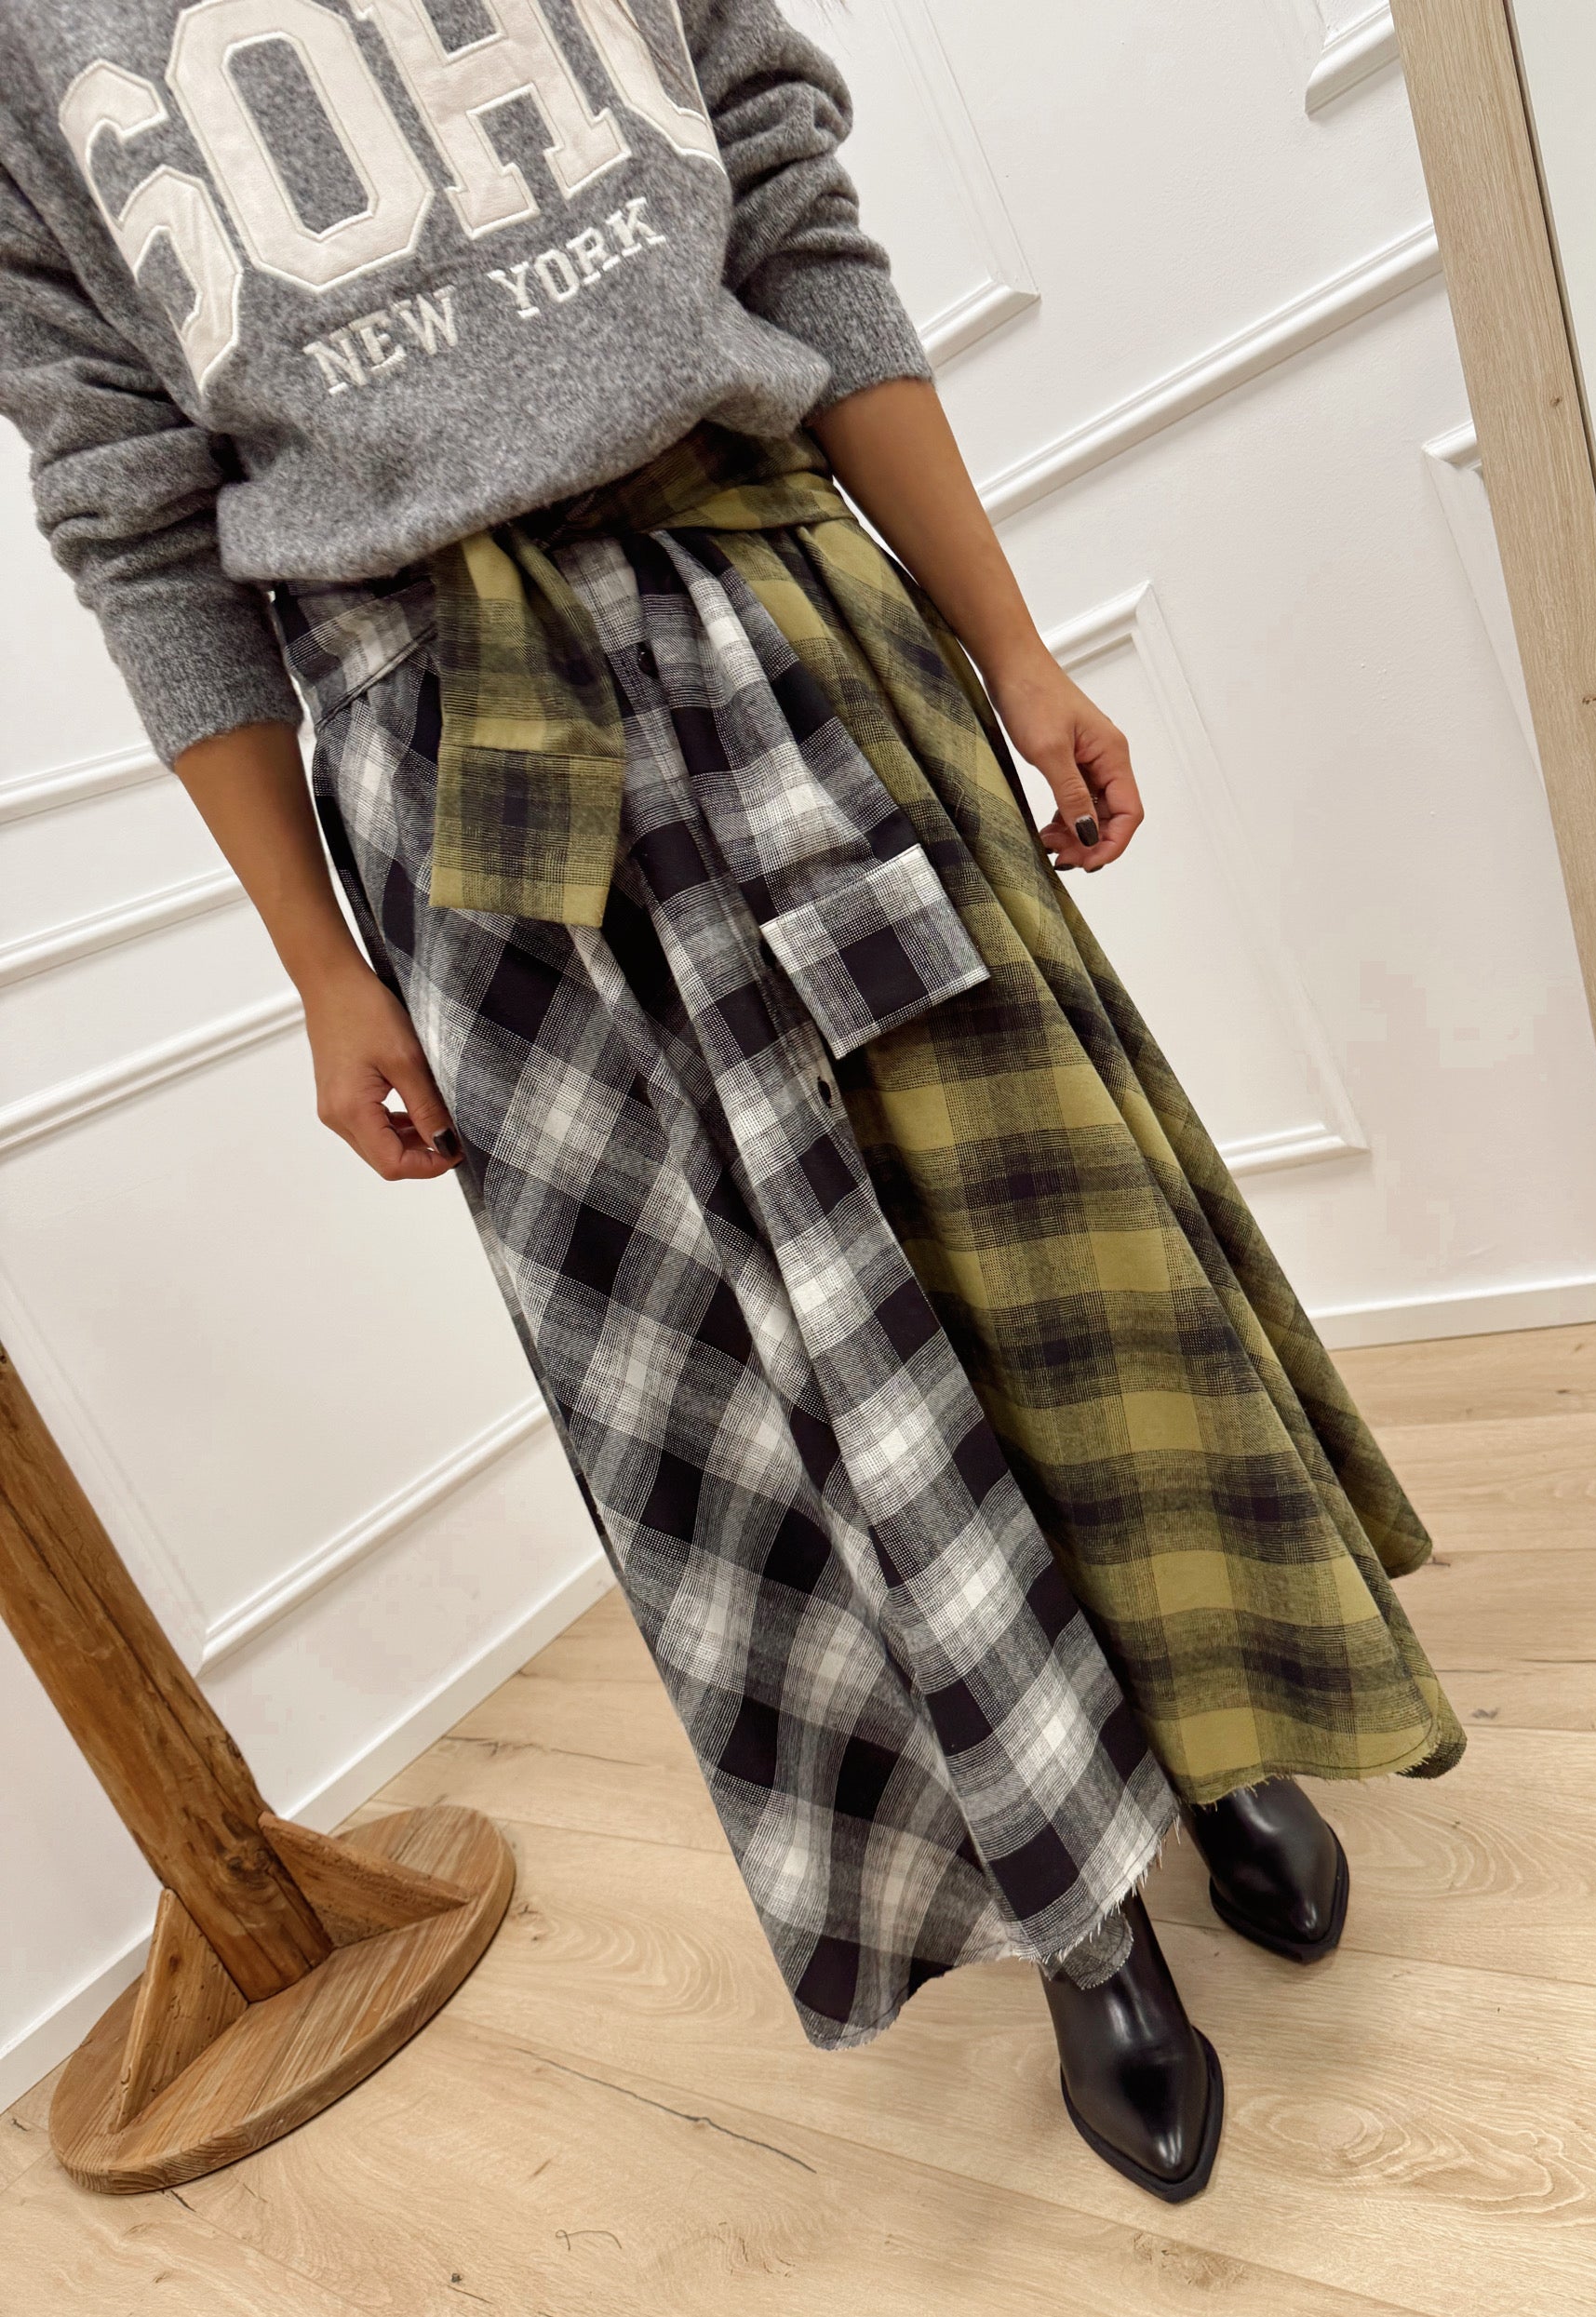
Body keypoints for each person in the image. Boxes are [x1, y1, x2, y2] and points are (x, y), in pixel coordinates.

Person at [0, 0, 1463, 2203]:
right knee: (782, 1383)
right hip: (458, 767)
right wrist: (317, 961)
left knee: (1056, 1246)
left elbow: (782, 197)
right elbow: (130, 503)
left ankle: (1211, 1721)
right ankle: (1076, 1902)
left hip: (789, 619)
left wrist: (1013, 644)